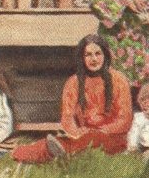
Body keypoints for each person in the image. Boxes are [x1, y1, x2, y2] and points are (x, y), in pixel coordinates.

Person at [12, 35, 133, 163]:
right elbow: (67, 118)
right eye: (88, 55)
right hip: (82, 137)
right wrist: (78, 132)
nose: (94, 59)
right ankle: (33, 153)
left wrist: (99, 131)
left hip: (112, 138)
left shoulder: (119, 80)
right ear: (82, 58)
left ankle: (62, 152)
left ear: (105, 55)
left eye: (98, 53)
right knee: (69, 142)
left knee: (87, 140)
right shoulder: (73, 82)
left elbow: (124, 120)